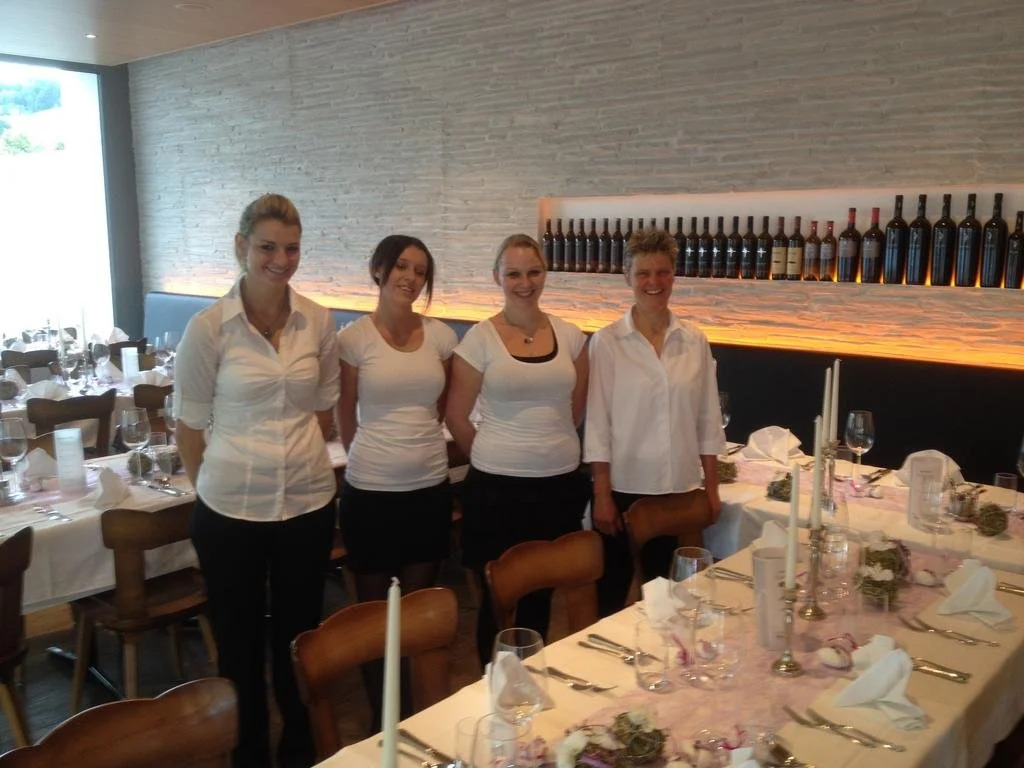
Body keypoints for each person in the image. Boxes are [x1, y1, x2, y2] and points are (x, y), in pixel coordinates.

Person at [175, 193, 339, 768]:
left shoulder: (318, 320)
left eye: (292, 248)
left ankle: (299, 749)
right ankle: (247, 754)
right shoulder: (209, 328)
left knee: (299, 638)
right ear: (241, 247)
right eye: (268, 247)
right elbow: (189, 428)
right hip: (230, 512)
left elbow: (322, 409)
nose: (281, 259)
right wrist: (213, 488)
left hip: (308, 504)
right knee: (238, 645)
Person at [446, 233, 590, 667]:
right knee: (497, 603)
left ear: (545, 274)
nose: (524, 283)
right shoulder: (479, 340)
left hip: (558, 487)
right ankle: (492, 689)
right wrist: (495, 455)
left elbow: (575, 410)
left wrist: (546, 446)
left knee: (540, 598)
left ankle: (531, 683)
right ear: (497, 277)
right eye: (513, 274)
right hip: (496, 492)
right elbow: (456, 416)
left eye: (533, 272)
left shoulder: (572, 337)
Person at [336, 234, 456, 727]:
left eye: (420, 271)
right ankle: (381, 721)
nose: (411, 277)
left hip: (429, 489)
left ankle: (414, 719)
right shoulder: (354, 339)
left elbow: (439, 409)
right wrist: (373, 457)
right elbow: (345, 413)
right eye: (402, 266)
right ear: (380, 269)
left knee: (416, 613)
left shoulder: (442, 337)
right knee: (373, 617)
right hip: (370, 493)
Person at [584, 228, 726, 617]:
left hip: (679, 489)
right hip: (624, 489)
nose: (654, 282)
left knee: (669, 595)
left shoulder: (694, 340)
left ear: (673, 276)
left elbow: (708, 419)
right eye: (644, 273)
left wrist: (712, 490)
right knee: (612, 594)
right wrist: (601, 494)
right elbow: (597, 424)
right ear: (628, 277)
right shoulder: (608, 342)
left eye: (662, 272)